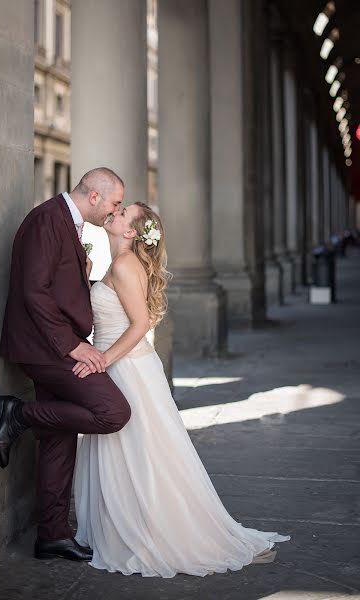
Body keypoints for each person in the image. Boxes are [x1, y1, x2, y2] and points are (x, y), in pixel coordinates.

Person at [73, 202, 290, 577]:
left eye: (124, 213)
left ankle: (143, 532)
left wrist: (104, 360)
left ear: (131, 233)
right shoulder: (121, 264)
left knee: (139, 454)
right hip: (133, 366)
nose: (117, 212)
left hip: (126, 369)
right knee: (140, 453)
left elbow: (139, 324)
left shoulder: (125, 265)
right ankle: (131, 525)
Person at [0, 168, 131, 561]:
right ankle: (17, 413)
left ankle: (52, 534)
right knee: (113, 411)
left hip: (55, 345)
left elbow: (54, 287)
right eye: (115, 203)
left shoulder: (66, 221)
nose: (114, 210)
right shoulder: (46, 220)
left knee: (59, 440)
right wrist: (72, 347)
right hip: (45, 349)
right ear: (94, 196)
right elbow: (33, 292)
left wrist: (83, 281)